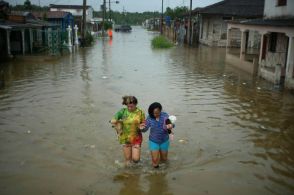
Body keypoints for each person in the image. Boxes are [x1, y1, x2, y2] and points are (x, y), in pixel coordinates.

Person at [110, 96, 145, 166]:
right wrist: (114, 121)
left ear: (136, 104)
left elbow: (143, 124)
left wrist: (142, 127)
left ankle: (135, 170)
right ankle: (128, 174)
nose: (129, 108)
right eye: (128, 106)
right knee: (128, 160)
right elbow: (114, 119)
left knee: (136, 159)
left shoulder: (140, 112)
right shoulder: (122, 111)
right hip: (125, 137)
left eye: (131, 106)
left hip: (136, 137)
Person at [141, 102, 174, 168]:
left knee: (164, 160)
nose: (155, 114)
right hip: (154, 141)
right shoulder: (149, 117)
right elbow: (145, 129)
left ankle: (163, 173)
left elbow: (171, 125)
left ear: (160, 110)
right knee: (155, 160)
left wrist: (171, 126)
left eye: (157, 113)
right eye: (153, 113)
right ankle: (156, 173)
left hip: (164, 140)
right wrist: (141, 128)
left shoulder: (165, 115)